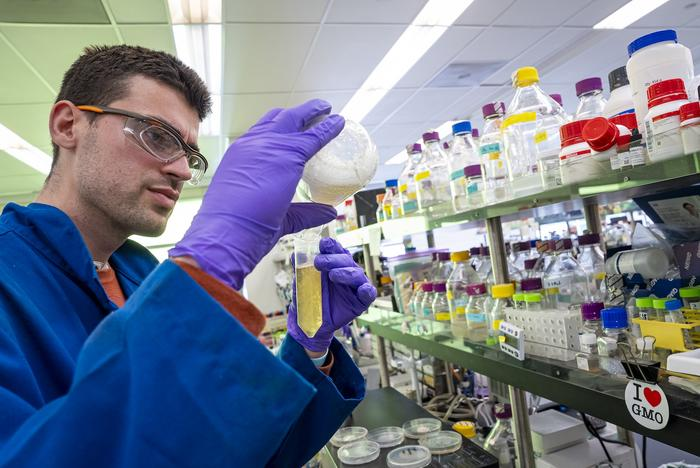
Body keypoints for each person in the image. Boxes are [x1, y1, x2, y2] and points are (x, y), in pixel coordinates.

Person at [0, 45, 376, 467]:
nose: (181, 170)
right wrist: (205, 268)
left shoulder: (141, 274)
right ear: (68, 125)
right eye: (157, 135)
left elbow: (234, 450)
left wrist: (309, 348)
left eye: (190, 154)